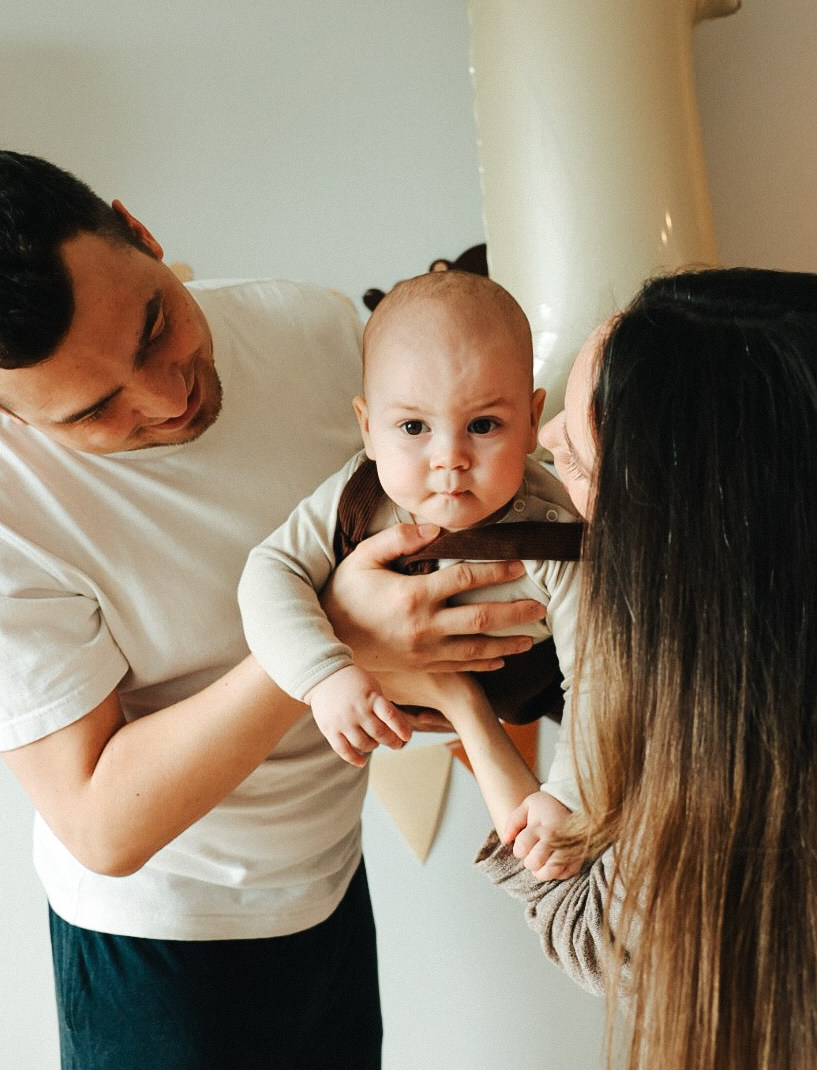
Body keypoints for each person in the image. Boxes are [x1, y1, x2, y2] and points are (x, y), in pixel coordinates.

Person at [0, 144, 547, 1070]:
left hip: (327, 894)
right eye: (93, 411)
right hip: (155, 952)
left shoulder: (324, 333)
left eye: (154, 326)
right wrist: (327, 642)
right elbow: (100, 820)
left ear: (140, 231)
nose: (167, 392)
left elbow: (443, 529)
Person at [413, 268, 817, 1070]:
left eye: (574, 456)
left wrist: (453, 697)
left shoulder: (693, 794)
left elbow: (582, 924)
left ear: (675, 531)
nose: (547, 459)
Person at [237, 269, 587, 874]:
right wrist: (323, 675)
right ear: (368, 426)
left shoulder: (558, 534)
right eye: (413, 427)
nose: (449, 457)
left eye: (484, 425)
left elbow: (599, 681)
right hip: (398, 691)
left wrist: (568, 796)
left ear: (532, 423)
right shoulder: (356, 497)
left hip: (535, 686)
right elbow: (270, 572)